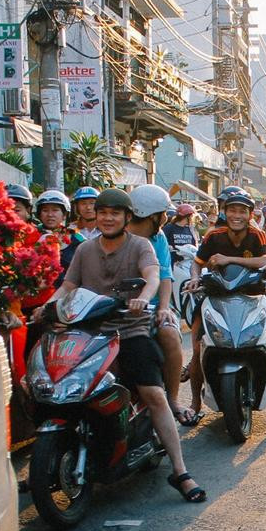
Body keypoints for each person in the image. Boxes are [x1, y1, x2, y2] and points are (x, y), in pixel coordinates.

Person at [38, 188, 205, 503]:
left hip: (129, 332)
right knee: (54, 384)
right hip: (88, 334)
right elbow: (69, 285)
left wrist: (145, 299)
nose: (108, 217)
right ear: (94, 216)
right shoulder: (85, 250)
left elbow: (154, 275)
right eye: (102, 212)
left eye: (115, 213)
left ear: (128, 217)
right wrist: (47, 305)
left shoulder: (141, 246)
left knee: (154, 395)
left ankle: (180, 471)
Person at [183, 186, 266, 429]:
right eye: (232, 210)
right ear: (224, 211)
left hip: (254, 296)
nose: (237, 215)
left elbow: (265, 261)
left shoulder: (257, 235)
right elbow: (197, 263)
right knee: (197, 349)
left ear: (250, 214)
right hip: (215, 298)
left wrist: (229, 259)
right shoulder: (213, 236)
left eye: (242, 211)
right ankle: (194, 405)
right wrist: (194, 277)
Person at [124, 184, 196, 427]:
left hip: (153, 305)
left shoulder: (159, 237)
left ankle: (173, 399)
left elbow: (165, 275)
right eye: (164, 214)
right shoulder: (119, 234)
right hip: (118, 309)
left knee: (169, 333)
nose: (167, 218)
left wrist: (164, 307)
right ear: (152, 216)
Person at [34, 190, 82, 286]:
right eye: (45, 210)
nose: (50, 214)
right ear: (39, 214)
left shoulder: (77, 239)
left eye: (55, 210)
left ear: (64, 214)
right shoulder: (31, 235)